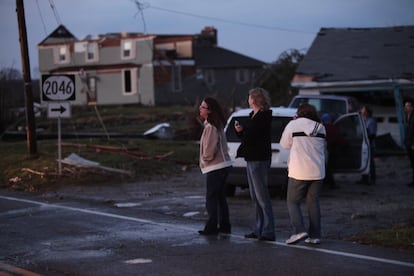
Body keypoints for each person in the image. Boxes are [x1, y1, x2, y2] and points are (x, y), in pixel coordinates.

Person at [280, 103, 326, 245]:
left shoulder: (293, 125)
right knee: (313, 203)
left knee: (292, 202)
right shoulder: (321, 127)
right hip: (318, 171)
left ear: (299, 113)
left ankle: (299, 230)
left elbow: (284, 144)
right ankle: (315, 235)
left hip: (299, 170)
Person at [234, 87, 276, 241]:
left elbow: (251, 137)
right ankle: (259, 229)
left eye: (250, 97)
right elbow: (249, 136)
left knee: (262, 196)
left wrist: (243, 132)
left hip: (259, 159)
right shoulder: (254, 116)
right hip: (252, 158)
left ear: (255, 99)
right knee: (255, 197)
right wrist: (242, 131)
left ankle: (268, 230)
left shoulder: (263, 116)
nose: (248, 100)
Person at [198, 97, 233, 235]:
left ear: (210, 110)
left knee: (211, 198)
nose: (200, 109)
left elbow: (209, 150)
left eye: (203, 107)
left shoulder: (211, 127)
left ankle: (211, 227)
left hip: (216, 166)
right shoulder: (216, 125)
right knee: (220, 197)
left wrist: (205, 159)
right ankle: (225, 225)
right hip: (223, 165)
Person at [358, 105, 377, 185]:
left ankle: (372, 179)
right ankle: (364, 178)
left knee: (371, 162)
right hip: (364, 144)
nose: (361, 111)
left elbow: (372, 134)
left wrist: (365, 139)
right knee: (364, 161)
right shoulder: (363, 120)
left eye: (363, 109)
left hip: (369, 145)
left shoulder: (371, 121)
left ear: (366, 112)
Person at [404, 100, 414, 187]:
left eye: (407, 106)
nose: (405, 108)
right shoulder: (407, 116)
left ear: (412, 107)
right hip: (408, 143)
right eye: (405, 106)